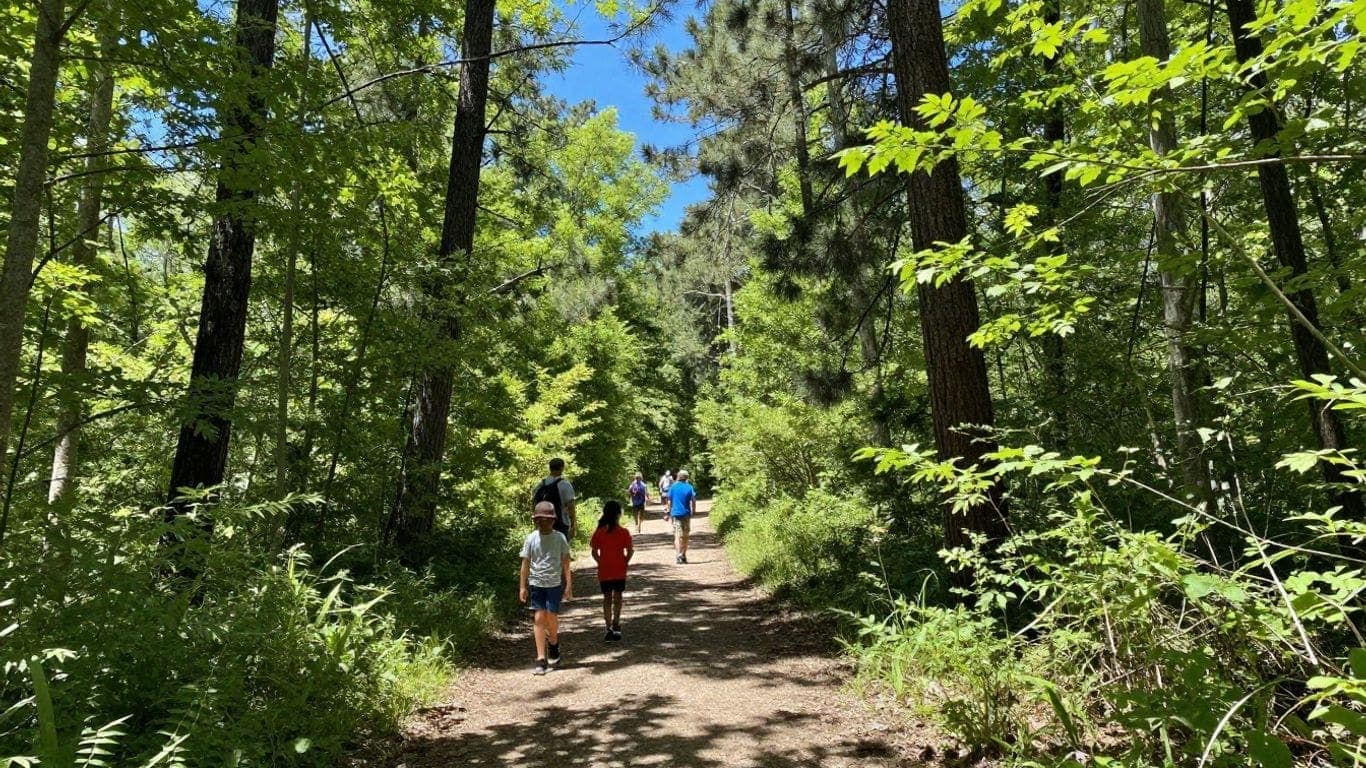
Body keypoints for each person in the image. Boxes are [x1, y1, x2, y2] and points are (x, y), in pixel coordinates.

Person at [520, 501, 573, 675]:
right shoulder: (531, 539)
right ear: (536, 520)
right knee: (538, 617)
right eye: (541, 520)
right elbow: (525, 563)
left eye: (548, 520)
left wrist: (568, 584)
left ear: (553, 521)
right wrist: (523, 586)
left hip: (554, 584)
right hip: (536, 583)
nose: (544, 523)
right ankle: (541, 658)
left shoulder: (560, 538)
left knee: (551, 616)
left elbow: (566, 561)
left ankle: (554, 643)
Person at [589, 500, 634, 642]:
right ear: (618, 514)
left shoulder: (599, 532)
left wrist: (600, 562)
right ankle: (616, 623)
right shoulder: (624, 532)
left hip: (605, 570)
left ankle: (608, 626)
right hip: (619, 570)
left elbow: (594, 551)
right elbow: (630, 551)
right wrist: (625, 561)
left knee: (607, 598)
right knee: (618, 597)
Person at [532, 457, 577, 540]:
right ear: (562, 468)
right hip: (560, 524)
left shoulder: (541, 485)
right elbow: (571, 507)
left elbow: (534, 504)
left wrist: (536, 523)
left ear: (550, 468)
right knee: (561, 551)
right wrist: (573, 525)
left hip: (542, 524)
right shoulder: (565, 485)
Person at [667, 469, 697, 564]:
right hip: (686, 514)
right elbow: (693, 500)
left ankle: (678, 555)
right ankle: (683, 554)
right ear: (686, 477)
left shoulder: (673, 487)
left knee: (677, 535)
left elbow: (669, 501)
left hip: (675, 514)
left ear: (678, 477)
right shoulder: (689, 487)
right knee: (685, 535)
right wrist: (694, 511)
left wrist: (669, 512)